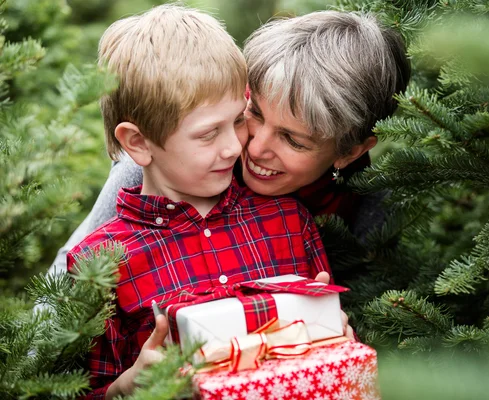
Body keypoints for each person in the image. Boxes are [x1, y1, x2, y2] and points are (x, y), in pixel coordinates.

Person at [66, 5, 333, 399]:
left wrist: (332, 334)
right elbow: (74, 387)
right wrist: (124, 388)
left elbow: (331, 360)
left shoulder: (288, 220)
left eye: (239, 119)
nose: (235, 146)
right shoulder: (102, 263)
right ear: (138, 143)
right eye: (208, 134)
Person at [48, 9, 411, 280]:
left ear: (350, 152)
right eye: (252, 112)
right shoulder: (161, 162)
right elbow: (70, 280)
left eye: (293, 140)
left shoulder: (367, 206)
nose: (252, 149)